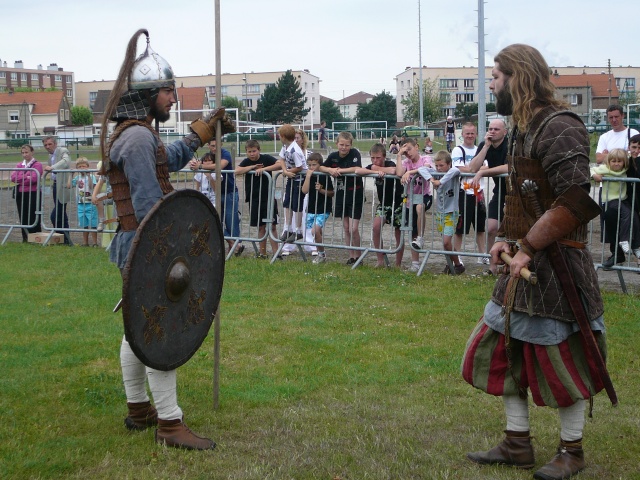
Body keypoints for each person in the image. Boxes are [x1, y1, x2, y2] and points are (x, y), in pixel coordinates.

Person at [462, 44, 608, 480]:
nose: (491, 84)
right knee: (504, 350)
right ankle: (517, 441)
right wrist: (506, 240)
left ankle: (571, 450)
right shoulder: (522, 126)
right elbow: (522, 195)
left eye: (496, 76)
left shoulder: (560, 126)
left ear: (517, 76)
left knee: (561, 360)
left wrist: (527, 246)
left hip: (559, 266)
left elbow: (575, 200)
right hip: (523, 263)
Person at [100, 28, 232, 450]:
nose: (173, 98)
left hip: (138, 242)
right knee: (161, 331)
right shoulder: (137, 137)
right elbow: (150, 208)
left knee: (136, 328)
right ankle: (170, 424)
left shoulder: (140, 133)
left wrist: (200, 134)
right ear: (150, 93)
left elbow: (167, 159)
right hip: (146, 245)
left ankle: (139, 409)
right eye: (169, 92)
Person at [190, 139, 243, 256]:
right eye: (212, 146)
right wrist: (195, 165)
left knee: (231, 221)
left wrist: (200, 166)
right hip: (213, 196)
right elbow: (197, 179)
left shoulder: (225, 154)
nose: (215, 148)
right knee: (214, 222)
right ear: (208, 146)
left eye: (217, 145)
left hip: (228, 192)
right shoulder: (208, 158)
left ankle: (234, 248)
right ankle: (233, 245)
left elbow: (220, 165)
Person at [355, 143, 404, 268]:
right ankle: (380, 260)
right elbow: (358, 170)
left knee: (399, 233)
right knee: (376, 227)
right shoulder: (373, 166)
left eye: (378, 158)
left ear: (384, 156)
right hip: (384, 204)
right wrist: (374, 168)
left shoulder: (390, 164)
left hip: (398, 203)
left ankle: (398, 264)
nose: (375, 160)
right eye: (372, 158)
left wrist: (378, 169)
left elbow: (394, 171)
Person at [467, 119, 509, 265]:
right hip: (500, 191)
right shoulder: (485, 145)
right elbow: (472, 168)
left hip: (516, 192)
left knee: (514, 230)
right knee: (491, 227)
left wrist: (483, 173)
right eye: (490, 129)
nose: (492, 131)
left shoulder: (510, 145)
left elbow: (508, 167)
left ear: (505, 132)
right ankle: (492, 266)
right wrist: (485, 147)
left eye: (496, 129)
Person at [319, 131, 364, 265]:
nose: (344, 148)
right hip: (340, 194)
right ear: (337, 144)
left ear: (351, 145)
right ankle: (351, 255)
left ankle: (358, 256)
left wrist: (339, 171)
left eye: (347, 145)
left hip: (355, 194)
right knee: (346, 227)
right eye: (341, 145)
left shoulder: (355, 153)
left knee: (353, 228)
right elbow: (321, 166)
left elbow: (356, 168)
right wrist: (329, 170)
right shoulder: (333, 156)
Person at [416, 150, 464, 274]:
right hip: (440, 213)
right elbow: (422, 169)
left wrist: (440, 181)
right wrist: (432, 179)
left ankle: (458, 265)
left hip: (451, 213)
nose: (438, 168)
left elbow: (456, 170)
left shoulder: (452, 174)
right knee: (445, 244)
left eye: (441, 165)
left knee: (446, 242)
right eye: (436, 165)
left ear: (449, 164)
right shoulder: (436, 173)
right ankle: (450, 264)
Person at [591, 148, 640, 268]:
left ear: (624, 162)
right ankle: (623, 240)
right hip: (611, 200)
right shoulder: (606, 169)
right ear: (609, 162)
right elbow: (592, 169)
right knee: (626, 215)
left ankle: (635, 246)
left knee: (634, 217)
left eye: (619, 161)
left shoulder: (624, 170)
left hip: (622, 200)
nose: (616, 164)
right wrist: (595, 176)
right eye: (614, 161)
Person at [235, 139, 280, 259]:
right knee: (261, 226)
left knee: (272, 225)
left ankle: (277, 253)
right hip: (254, 198)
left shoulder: (266, 159)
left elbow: (280, 164)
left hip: (268, 197)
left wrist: (263, 169)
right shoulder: (246, 162)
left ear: (259, 150)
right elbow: (237, 171)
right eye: (249, 151)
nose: (252, 154)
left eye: (254, 151)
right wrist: (253, 167)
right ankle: (262, 253)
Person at [396, 137, 434, 272]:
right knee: (412, 231)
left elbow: (426, 169)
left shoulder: (425, 159)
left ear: (417, 147)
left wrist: (410, 172)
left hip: (424, 196)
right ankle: (415, 263)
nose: (408, 154)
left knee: (420, 207)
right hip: (410, 199)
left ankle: (421, 237)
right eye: (405, 152)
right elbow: (399, 173)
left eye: (409, 150)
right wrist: (399, 155)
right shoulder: (406, 161)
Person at [451, 122, 487, 266]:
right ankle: (457, 257)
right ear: (463, 134)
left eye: (472, 133)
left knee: (480, 227)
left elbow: (486, 167)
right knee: (460, 228)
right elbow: (460, 169)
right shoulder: (458, 150)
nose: (470, 136)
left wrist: (473, 169)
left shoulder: (481, 150)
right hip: (464, 193)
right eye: (467, 133)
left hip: (479, 193)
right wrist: (476, 169)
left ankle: (482, 254)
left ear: (476, 134)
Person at [275, 124, 307, 245]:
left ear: (283, 136)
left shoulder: (295, 150)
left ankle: (298, 230)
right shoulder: (285, 146)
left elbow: (300, 167)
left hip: (299, 181)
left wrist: (288, 172)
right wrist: (285, 171)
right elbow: (281, 159)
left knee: (296, 205)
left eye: (279, 135)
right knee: (287, 203)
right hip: (291, 179)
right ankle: (288, 228)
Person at [301, 152, 334, 263]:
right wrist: (308, 177)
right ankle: (321, 252)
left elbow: (331, 193)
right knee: (315, 232)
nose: (311, 167)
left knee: (315, 231)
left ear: (320, 165)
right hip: (311, 209)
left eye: (314, 165)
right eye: (309, 165)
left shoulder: (325, 176)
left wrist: (321, 190)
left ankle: (321, 254)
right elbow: (304, 191)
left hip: (323, 209)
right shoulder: (308, 176)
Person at [43, 136, 73, 245]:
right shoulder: (50, 156)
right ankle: (63, 239)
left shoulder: (63, 151)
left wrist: (53, 167)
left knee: (56, 214)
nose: (47, 147)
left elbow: (66, 161)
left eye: (50, 144)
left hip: (63, 187)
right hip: (55, 186)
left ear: (55, 144)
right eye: (45, 145)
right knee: (61, 214)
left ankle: (64, 238)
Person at [10, 144, 43, 242]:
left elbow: (34, 178)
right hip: (21, 193)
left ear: (32, 152)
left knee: (33, 216)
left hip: (33, 193)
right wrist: (26, 177)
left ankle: (36, 238)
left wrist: (21, 177)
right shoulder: (20, 165)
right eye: (23, 153)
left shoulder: (37, 164)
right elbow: (13, 177)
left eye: (27, 152)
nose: (25, 155)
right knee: (23, 216)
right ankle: (26, 238)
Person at [71, 157, 99, 247]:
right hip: (80, 203)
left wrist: (88, 175)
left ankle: (95, 242)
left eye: (84, 166)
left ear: (87, 166)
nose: (82, 168)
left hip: (90, 203)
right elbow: (69, 185)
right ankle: (85, 242)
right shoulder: (77, 178)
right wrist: (70, 175)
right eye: (80, 167)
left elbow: (92, 186)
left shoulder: (91, 176)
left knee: (93, 224)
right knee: (84, 224)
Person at [91, 160, 116, 248]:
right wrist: (94, 195)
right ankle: (101, 220)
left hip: (120, 195)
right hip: (109, 195)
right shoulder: (107, 168)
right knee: (98, 198)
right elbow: (100, 182)